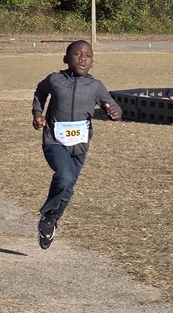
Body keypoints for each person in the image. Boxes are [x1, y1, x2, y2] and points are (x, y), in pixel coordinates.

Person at [31, 40, 121, 250]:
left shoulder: (96, 86)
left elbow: (112, 104)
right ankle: (47, 215)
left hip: (80, 145)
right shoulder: (55, 80)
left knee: (68, 188)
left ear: (92, 62)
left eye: (87, 55)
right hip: (55, 140)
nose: (82, 58)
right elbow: (40, 91)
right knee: (64, 176)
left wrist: (114, 112)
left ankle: (50, 221)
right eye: (77, 54)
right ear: (66, 59)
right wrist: (38, 113)